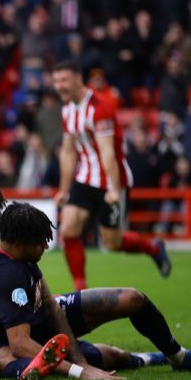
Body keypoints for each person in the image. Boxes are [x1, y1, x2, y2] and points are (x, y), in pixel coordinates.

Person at [0, 178, 191, 380]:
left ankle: (155, 357)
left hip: (12, 327)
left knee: (101, 353)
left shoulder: (12, 248)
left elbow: (41, 295)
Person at [0, 202, 191, 380]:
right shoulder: (7, 276)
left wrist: (80, 361)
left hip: (40, 318)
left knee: (132, 298)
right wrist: (81, 371)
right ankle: (152, 358)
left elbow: (50, 304)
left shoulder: (14, 247)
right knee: (111, 356)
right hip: (31, 336)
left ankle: (179, 357)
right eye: (40, 241)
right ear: (18, 243)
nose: (46, 245)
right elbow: (20, 344)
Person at [53, 60, 172, 291]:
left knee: (112, 242)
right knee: (68, 230)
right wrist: (63, 189)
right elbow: (68, 151)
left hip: (110, 180)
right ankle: (80, 288)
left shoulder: (100, 106)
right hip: (85, 177)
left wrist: (115, 189)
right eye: (56, 81)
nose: (59, 86)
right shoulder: (67, 109)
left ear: (78, 79)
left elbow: (108, 151)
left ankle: (154, 248)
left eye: (64, 80)